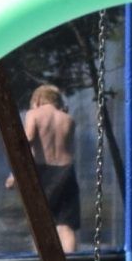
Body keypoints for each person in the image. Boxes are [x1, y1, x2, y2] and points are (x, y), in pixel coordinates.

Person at [7, 83, 81, 252]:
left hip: (43, 172)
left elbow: (27, 141)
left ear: (38, 100)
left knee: (40, 224)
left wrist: (15, 174)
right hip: (66, 170)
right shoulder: (68, 119)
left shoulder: (34, 114)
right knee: (66, 225)